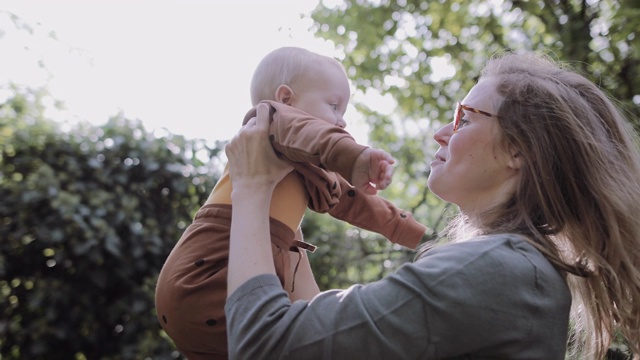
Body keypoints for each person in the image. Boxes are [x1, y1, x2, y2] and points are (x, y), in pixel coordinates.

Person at [224, 51, 640, 360]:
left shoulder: (495, 269)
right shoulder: (520, 271)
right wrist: (282, 221)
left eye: (464, 118)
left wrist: (250, 186)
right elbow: (312, 334)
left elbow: (264, 344)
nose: (442, 133)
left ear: (518, 149)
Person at [154, 47, 428, 359]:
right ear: (286, 100)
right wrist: (354, 156)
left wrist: (421, 238)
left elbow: (360, 204)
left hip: (215, 286)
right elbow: (310, 133)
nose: (341, 121)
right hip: (212, 267)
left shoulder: (308, 169)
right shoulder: (269, 123)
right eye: (334, 105)